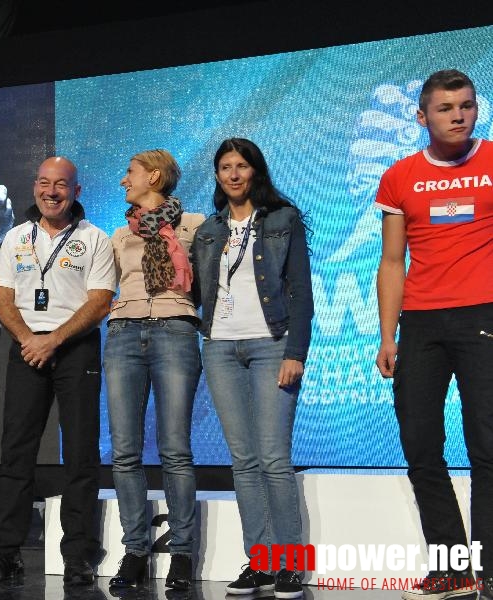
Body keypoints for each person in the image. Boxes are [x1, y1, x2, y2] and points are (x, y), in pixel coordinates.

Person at [0, 156, 116, 586]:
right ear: (34, 186)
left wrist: (54, 339)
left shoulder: (94, 239)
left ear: (76, 192)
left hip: (75, 349)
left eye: (62, 185)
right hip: (27, 348)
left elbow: (100, 302)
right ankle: (3, 554)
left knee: (81, 455)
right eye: (44, 183)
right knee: (16, 452)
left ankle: (78, 555)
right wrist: (30, 338)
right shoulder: (17, 237)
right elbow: (0, 298)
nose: (52, 192)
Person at [375, 69, 493, 600]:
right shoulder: (400, 176)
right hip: (420, 321)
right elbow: (392, 261)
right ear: (422, 117)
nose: (459, 115)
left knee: (488, 446)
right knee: (421, 446)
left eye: (467, 105)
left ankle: (489, 569)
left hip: (484, 315)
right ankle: (451, 568)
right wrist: (387, 335)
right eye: (446, 108)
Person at [190, 138, 313, 599]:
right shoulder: (208, 231)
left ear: (256, 171)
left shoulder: (283, 220)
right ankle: (260, 562)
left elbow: (301, 291)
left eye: (242, 166)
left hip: (270, 344)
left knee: (274, 459)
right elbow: (197, 292)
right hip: (220, 348)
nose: (234, 175)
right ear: (218, 175)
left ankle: (291, 564)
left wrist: (295, 352)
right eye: (225, 167)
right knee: (243, 461)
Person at [104, 150, 204, 590]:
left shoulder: (196, 226)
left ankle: (182, 552)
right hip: (123, 333)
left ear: (155, 176)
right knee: (125, 451)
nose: (125, 180)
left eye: (131, 173)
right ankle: (135, 551)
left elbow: (211, 284)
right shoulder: (117, 235)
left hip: (175, 331)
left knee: (175, 450)